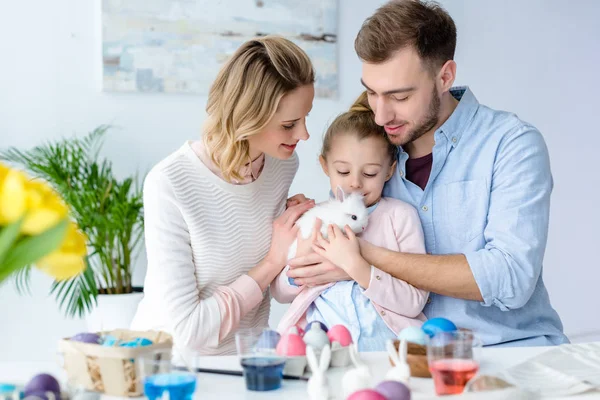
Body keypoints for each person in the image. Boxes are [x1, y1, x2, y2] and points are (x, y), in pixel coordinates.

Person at [287, 0, 568, 347]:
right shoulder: (373, 156)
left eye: (399, 96)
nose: (380, 114)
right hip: (404, 360)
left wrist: (362, 255)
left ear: (445, 76)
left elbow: (510, 277)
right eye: (372, 92)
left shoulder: (511, 144)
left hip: (508, 351)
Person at [131, 36, 316, 355]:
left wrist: (300, 233)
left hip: (253, 362)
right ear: (247, 118)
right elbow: (187, 333)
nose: (303, 135)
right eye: (289, 124)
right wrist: (273, 261)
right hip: (175, 370)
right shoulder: (169, 183)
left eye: (305, 118)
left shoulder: (282, 164)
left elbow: (271, 277)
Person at [271, 92, 428, 351]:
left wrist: (358, 269)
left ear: (389, 169)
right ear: (325, 166)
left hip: (388, 347)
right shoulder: (314, 217)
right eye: (343, 171)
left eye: (369, 173)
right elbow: (280, 292)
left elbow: (414, 301)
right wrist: (298, 266)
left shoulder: (401, 217)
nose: (355, 182)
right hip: (323, 346)